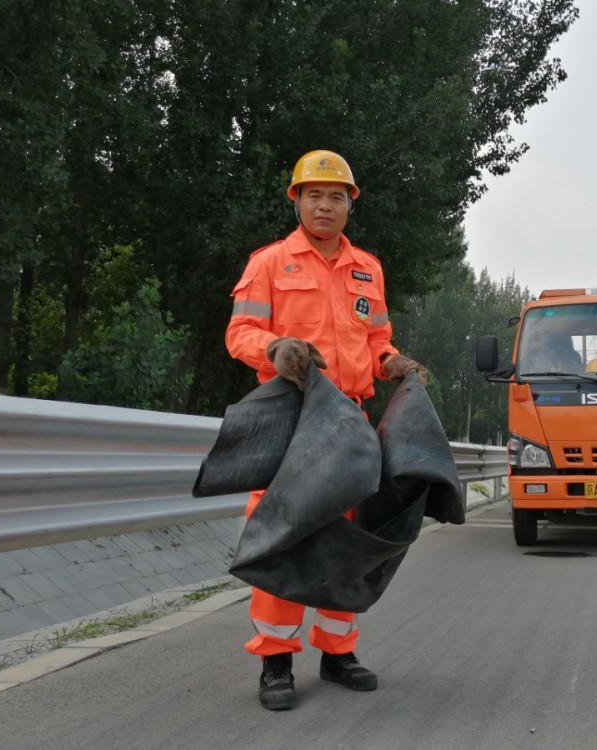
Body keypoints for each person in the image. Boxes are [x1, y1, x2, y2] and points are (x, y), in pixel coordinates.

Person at [225, 149, 427, 711]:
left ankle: (338, 654)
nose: (325, 204)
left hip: (350, 424)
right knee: (282, 536)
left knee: (349, 537)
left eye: (336, 196)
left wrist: (394, 363)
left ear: (349, 205)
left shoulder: (367, 268)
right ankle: (275, 661)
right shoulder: (269, 262)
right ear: (296, 200)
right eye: (314, 194)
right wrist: (274, 346)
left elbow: (376, 341)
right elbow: (240, 331)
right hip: (289, 417)